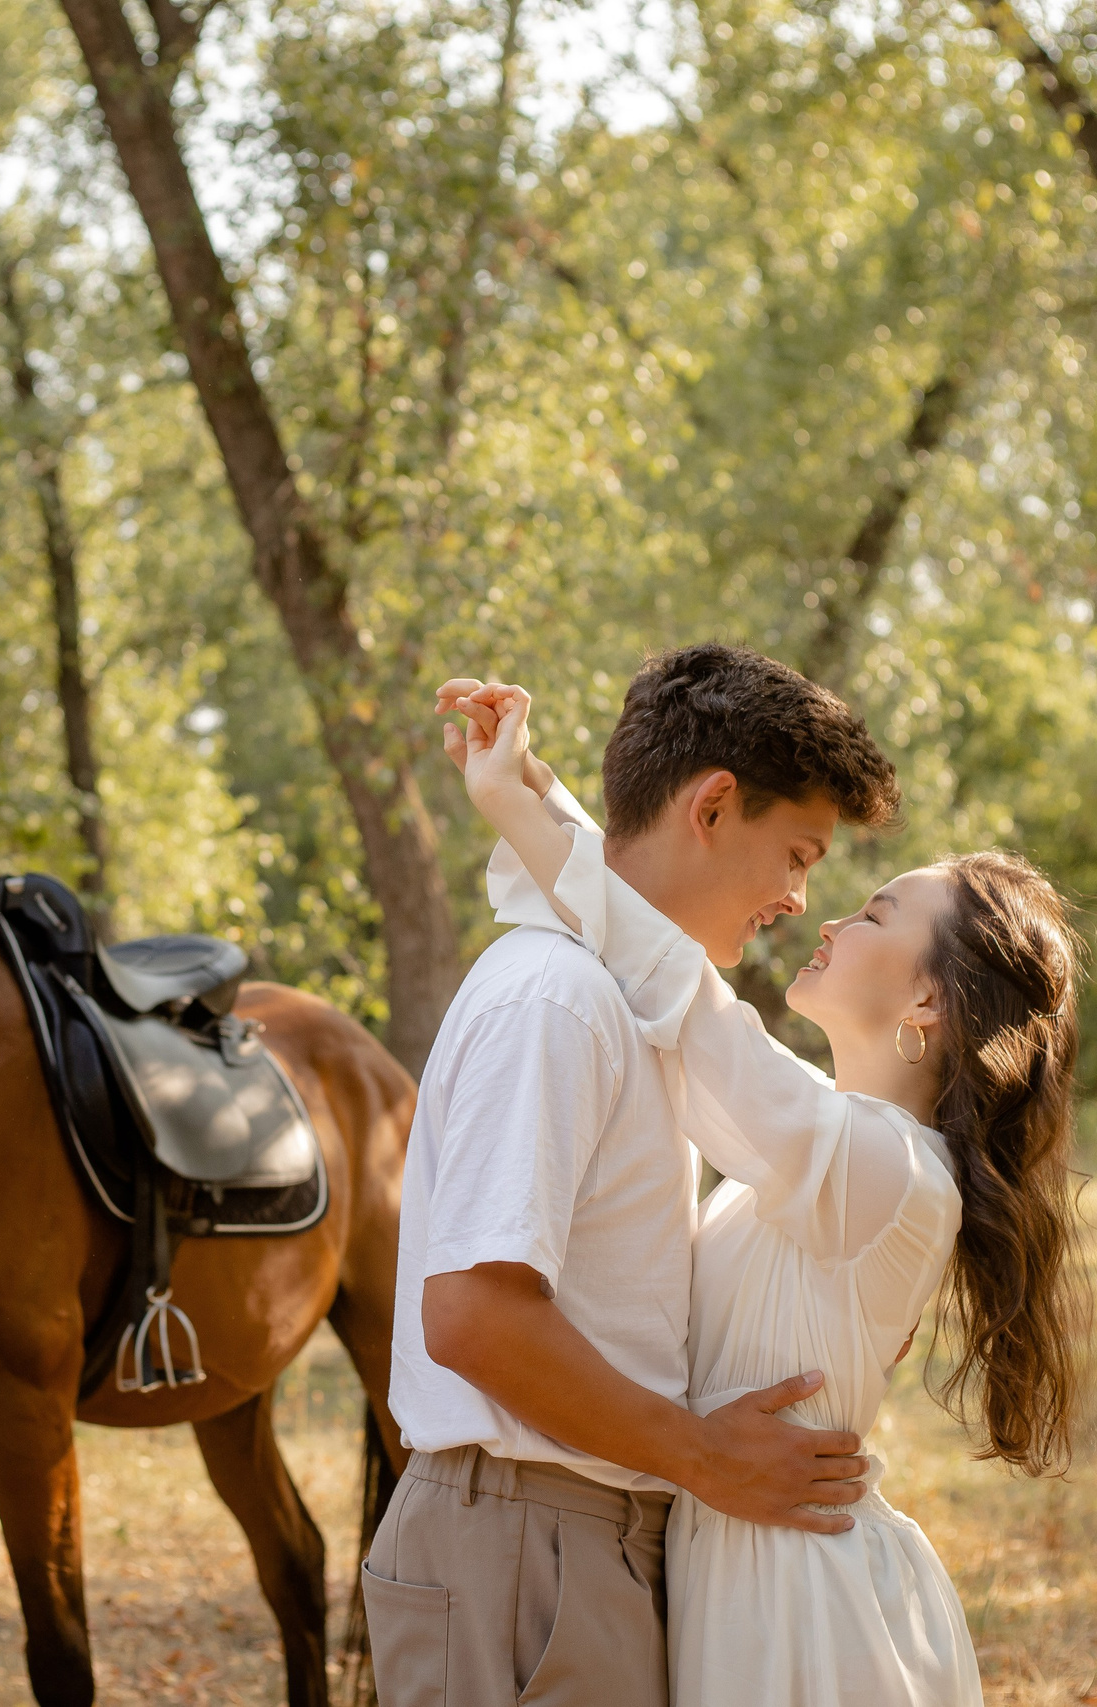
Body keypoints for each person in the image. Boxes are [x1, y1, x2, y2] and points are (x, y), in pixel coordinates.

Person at [445, 675, 1089, 1707]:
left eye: (875, 909)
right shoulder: (814, 1155)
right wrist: (540, 794)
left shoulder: (893, 1177)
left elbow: (683, 1003)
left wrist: (523, 808)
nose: (820, 910)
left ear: (927, 996)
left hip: (799, 1593)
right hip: (729, 1560)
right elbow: (654, 957)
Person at [361, 644, 906, 1707]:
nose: (798, 898)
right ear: (712, 807)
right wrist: (703, 1458)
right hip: (522, 1544)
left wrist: (532, 795)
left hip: (575, 1533)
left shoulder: (633, 1003)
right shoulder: (557, 1004)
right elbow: (472, 1314)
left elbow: (632, 928)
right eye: (797, 854)